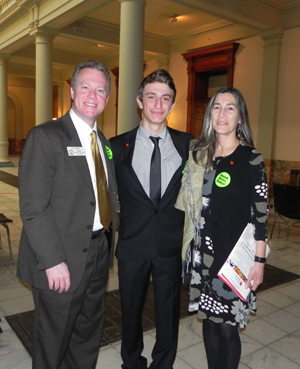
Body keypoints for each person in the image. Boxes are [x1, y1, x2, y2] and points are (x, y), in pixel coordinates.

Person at [17, 60, 118, 369]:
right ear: (73, 91)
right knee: (53, 341)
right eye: (85, 87)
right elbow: (34, 207)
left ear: (107, 98)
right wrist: (51, 260)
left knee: (87, 333)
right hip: (61, 257)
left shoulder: (103, 142)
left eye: (100, 89)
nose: (93, 95)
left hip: (99, 251)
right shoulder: (46, 136)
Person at [175, 86, 268, 369]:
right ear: (209, 114)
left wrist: (259, 261)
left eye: (230, 107)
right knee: (209, 320)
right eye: (217, 107)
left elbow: (260, 216)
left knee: (227, 327)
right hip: (201, 255)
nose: (222, 113)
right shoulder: (198, 155)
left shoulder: (251, 159)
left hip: (232, 257)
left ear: (240, 117)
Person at [110, 69, 193, 369]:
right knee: (129, 311)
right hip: (132, 245)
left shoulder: (188, 146)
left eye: (165, 98)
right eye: (152, 97)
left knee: (168, 312)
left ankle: (163, 364)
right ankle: (132, 362)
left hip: (170, 245)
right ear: (140, 102)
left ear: (172, 105)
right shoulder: (117, 146)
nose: (158, 104)